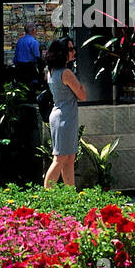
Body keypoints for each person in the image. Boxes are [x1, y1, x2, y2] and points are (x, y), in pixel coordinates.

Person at [43, 37, 86, 188]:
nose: (74, 52)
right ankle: (46, 197)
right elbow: (82, 95)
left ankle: (69, 196)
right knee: (60, 159)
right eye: (70, 49)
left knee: (68, 158)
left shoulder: (52, 71)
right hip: (65, 118)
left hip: (61, 115)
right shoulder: (66, 73)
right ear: (62, 52)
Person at [13, 22, 41, 91]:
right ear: (33, 30)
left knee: (21, 86)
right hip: (30, 67)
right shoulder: (34, 42)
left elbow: (16, 56)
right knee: (31, 85)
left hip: (20, 67)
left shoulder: (20, 41)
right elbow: (37, 56)